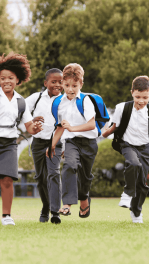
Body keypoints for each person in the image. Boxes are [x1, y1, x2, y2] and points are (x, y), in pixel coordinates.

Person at [0, 52, 42, 226]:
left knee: (8, 179)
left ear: (18, 79)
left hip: (9, 144)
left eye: (10, 78)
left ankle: (6, 216)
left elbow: (29, 127)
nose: (6, 81)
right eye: (3, 78)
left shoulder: (21, 102)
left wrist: (36, 128)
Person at [102, 76, 149, 223]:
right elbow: (114, 127)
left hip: (145, 148)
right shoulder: (122, 108)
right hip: (127, 144)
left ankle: (136, 210)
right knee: (133, 163)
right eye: (137, 96)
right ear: (132, 92)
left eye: (145, 97)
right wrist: (105, 132)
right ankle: (127, 193)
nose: (141, 100)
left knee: (142, 184)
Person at [47, 63, 97, 218]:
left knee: (85, 177)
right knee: (70, 165)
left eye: (74, 85)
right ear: (62, 83)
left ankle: (84, 199)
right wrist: (52, 145)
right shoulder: (59, 103)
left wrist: (72, 128)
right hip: (71, 142)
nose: (70, 89)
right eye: (67, 85)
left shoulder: (86, 100)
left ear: (81, 84)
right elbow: (60, 127)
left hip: (89, 142)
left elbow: (91, 124)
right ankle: (67, 204)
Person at [26, 68, 63, 224]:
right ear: (45, 83)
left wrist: (61, 146)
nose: (57, 85)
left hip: (56, 142)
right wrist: (32, 120)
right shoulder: (36, 98)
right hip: (38, 143)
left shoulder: (65, 101)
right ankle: (45, 207)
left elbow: (65, 125)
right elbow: (21, 113)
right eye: (53, 82)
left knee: (53, 174)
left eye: (60, 82)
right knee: (41, 178)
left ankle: (55, 212)